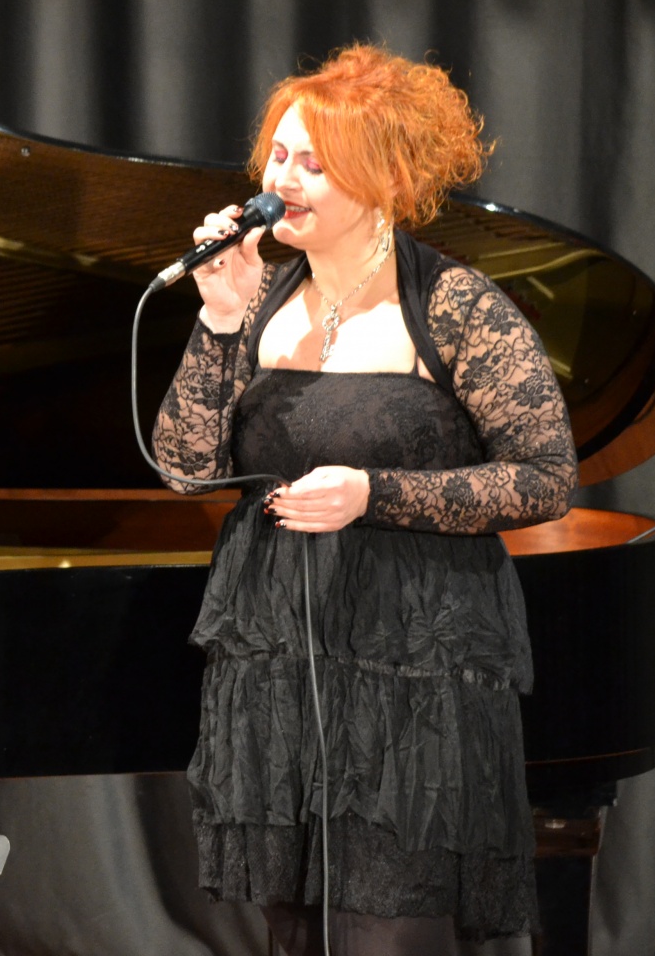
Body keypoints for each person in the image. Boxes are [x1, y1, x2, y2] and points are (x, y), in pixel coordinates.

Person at [152, 47, 576, 953]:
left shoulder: (455, 306)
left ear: (383, 177)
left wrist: (373, 494)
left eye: (314, 162)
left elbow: (545, 475)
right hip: (280, 661)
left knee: (388, 929)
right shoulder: (257, 299)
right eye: (278, 156)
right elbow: (185, 467)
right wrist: (219, 317)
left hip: (412, 670)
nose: (283, 180)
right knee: (294, 932)